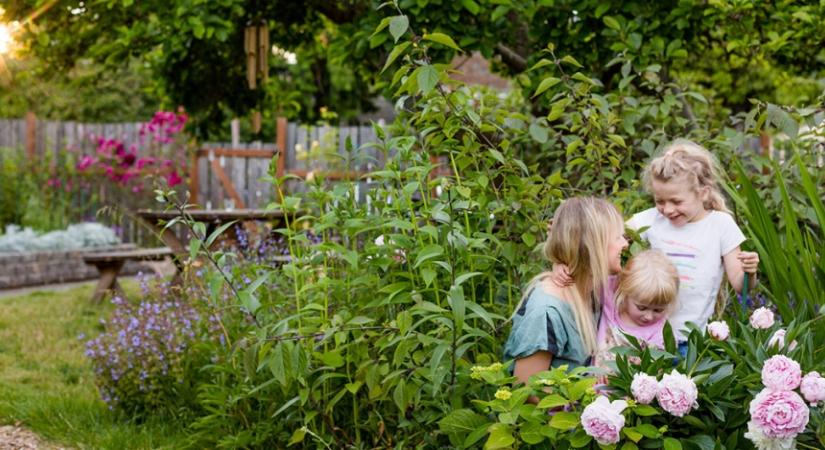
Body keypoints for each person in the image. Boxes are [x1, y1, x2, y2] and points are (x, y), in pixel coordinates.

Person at [628, 139, 759, 355]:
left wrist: (750, 271)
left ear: (703, 193)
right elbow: (612, 238)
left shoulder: (720, 225)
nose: (668, 210)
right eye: (659, 201)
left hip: (693, 340)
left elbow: (739, 283)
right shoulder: (650, 220)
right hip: (647, 335)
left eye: (677, 201)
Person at [503, 197, 628, 386]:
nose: (625, 244)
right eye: (618, 237)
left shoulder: (593, 287)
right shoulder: (546, 311)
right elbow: (527, 389)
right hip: (559, 414)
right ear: (594, 245)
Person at [593, 249, 680, 368]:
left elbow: (654, 368)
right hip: (593, 380)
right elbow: (586, 276)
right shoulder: (611, 296)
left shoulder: (661, 334)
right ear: (625, 292)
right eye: (641, 307)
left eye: (658, 310)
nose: (649, 316)